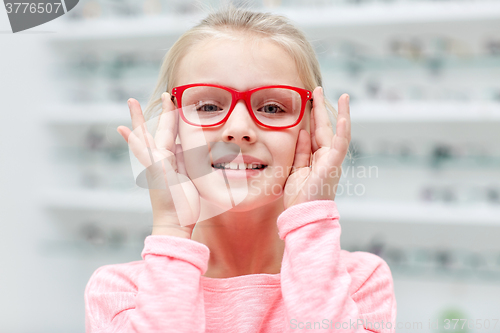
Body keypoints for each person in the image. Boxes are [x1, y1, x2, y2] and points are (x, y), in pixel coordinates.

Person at [84, 6, 397, 333]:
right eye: (208, 106)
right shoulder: (120, 294)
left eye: (273, 107)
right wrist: (172, 226)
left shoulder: (361, 284)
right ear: (172, 128)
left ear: (312, 124)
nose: (237, 129)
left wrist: (311, 221)